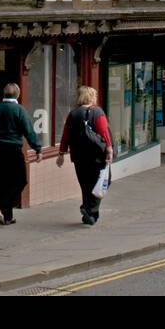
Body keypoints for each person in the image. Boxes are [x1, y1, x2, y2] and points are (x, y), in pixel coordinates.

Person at [56, 86, 114, 225]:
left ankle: (90, 215)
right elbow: (104, 132)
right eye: (94, 95)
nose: (95, 98)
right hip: (97, 155)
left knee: (86, 185)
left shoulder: (73, 114)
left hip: (79, 156)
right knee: (103, 181)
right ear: (91, 97)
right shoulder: (97, 112)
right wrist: (109, 149)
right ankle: (89, 209)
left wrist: (61, 153)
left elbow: (65, 135)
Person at [0, 83, 41, 225]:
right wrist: (37, 148)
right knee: (20, 181)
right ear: (18, 94)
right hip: (12, 150)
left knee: (5, 182)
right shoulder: (19, 110)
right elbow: (28, 131)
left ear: (4, 94)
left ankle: (7, 217)